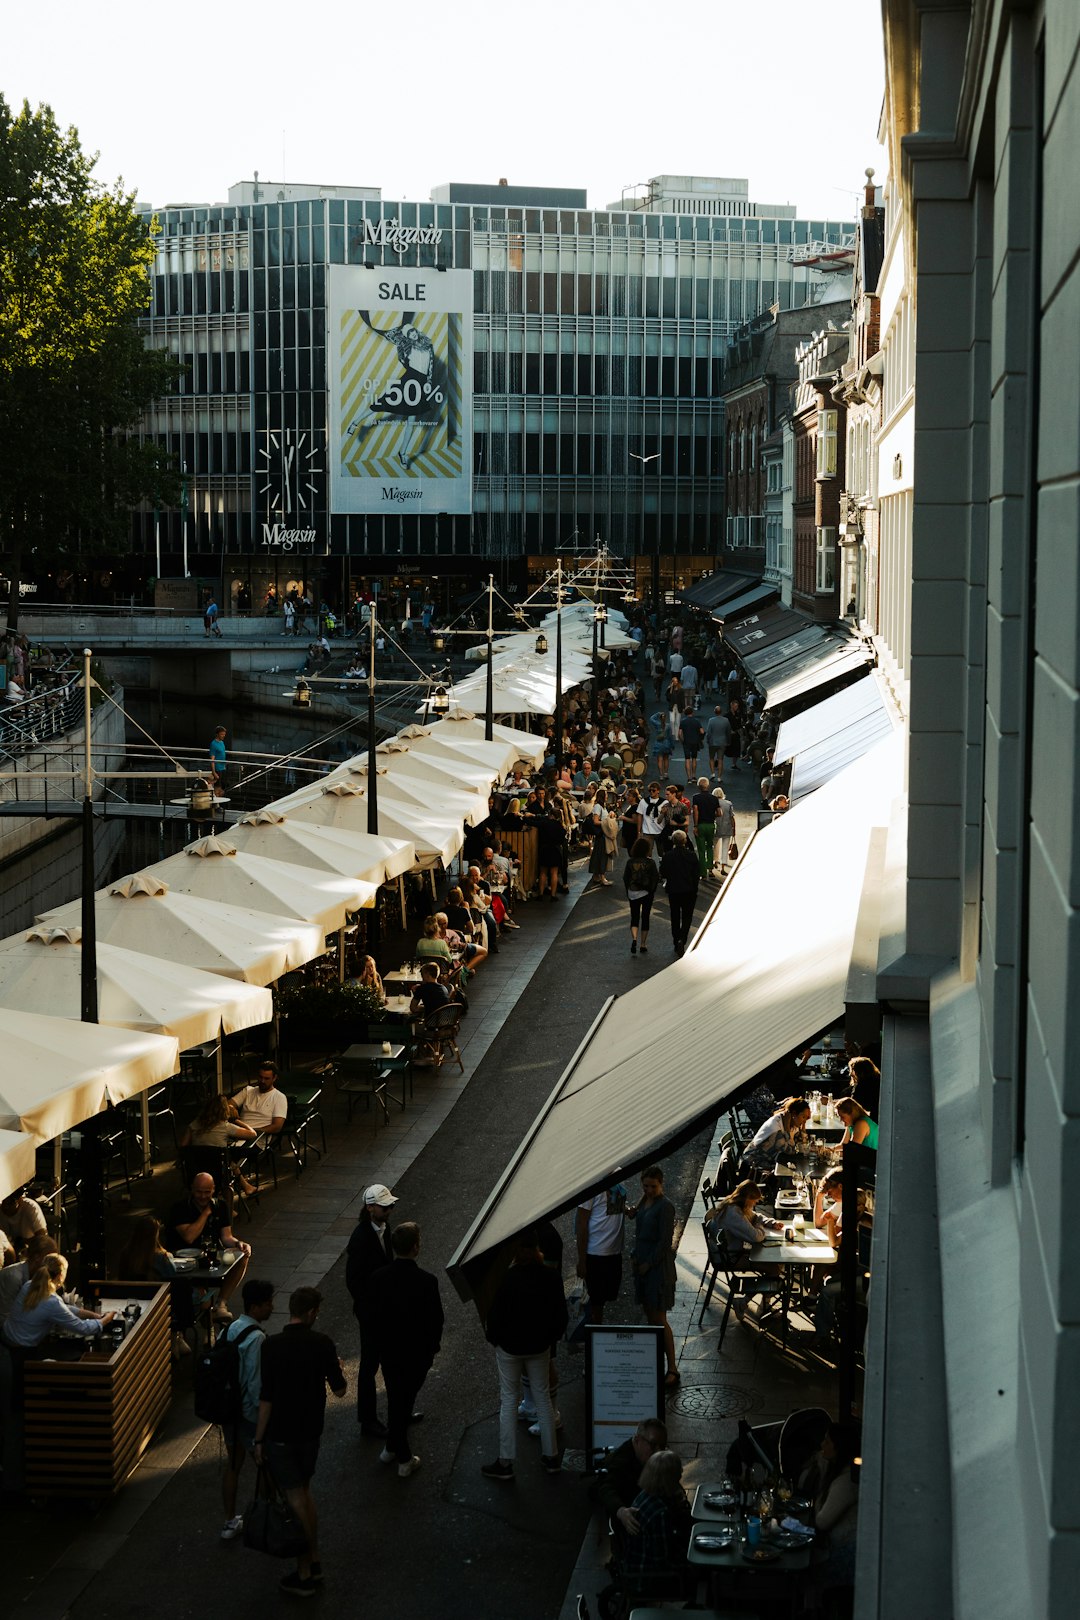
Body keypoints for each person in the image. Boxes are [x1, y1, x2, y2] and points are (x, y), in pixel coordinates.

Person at [253, 1286, 347, 1597]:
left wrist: (258, 1439)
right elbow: (340, 1391)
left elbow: (266, 1396)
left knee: (294, 1498)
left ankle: (305, 1569)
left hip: (281, 1433)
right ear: (310, 1313)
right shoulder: (322, 1344)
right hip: (310, 1431)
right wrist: (335, 1367)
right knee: (304, 1493)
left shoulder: (272, 1346)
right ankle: (314, 1558)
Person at [481, 1227, 568, 1481]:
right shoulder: (550, 1277)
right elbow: (560, 1316)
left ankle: (506, 1461)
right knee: (542, 1397)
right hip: (539, 1346)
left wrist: (495, 1340)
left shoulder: (507, 1279)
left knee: (508, 1400)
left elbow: (494, 1317)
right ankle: (551, 1456)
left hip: (509, 1347)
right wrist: (549, 1339)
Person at [368, 1222, 444, 1480]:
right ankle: (403, 1457)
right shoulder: (427, 1282)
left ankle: (391, 1447)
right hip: (416, 1353)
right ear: (415, 1248)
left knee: (397, 1398)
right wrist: (432, 1347)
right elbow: (436, 1320)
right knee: (403, 1401)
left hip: (389, 1352)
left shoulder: (378, 1278)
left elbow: (373, 1316)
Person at [220, 1277, 276, 1541]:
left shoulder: (228, 1329)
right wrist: (261, 1423)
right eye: (267, 1304)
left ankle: (230, 1522)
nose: (272, 1308)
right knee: (263, 1465)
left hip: (228, 1411)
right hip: (248, 1415)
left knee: (233, 1465)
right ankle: (265, 1519)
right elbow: (256, 1385)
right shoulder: (257, 1339)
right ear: (255, 1307)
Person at [345, 1184, 398, 1438]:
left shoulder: (384, 1229)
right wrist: (370, 1309)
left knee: (392, 1362)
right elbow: (353, 1281)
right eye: (384, 1207)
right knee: (369, 1366)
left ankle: (398, 1411)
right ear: (370, 1208)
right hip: (371, 1314)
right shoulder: (360, 1238)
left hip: (386, 1310)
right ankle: (367, 1420)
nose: (389, 1210)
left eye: (390, 1206)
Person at [167, 1173, 250, 1320]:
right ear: (192, 1189)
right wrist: (206, 1214)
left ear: (213, 1190)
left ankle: (221, 1303)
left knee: (242, 1257)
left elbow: (226, 1237)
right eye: (199, 1191)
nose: (203, 1196)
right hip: (183, 1262)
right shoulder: (180, 1208)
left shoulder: (221, 1206)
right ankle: (203, 1324)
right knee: (202, 1299)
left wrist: (239, 1244)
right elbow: (189, 1236)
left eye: (207, 1192)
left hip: (210, 1255)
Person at [627, 1167, 678, 1387]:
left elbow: (665, 1242)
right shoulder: (645, 1202)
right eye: (645, 1186)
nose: (648, 1190)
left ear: (661, 1183)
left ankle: (672, 1368)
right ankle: (655, 1362)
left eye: (653, 1186)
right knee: (650, 1317)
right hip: (642, 1264)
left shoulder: (665, 1207)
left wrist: (649, 1263)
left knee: (659, 1319)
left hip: (657, 1269)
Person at [2, 1252, 116, 1349]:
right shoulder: (52, 1301)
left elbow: (64, 1309)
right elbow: (83, 1328)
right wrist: (106, 1319)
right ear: (61, 1276)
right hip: (20, 1349)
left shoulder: (29, 1285)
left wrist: (94, 1316)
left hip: (6, 1338)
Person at [618, 1449, 691, 1592]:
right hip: (649, 1578)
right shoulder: (660, 1513)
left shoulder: (644, 1495)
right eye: (678, 1473)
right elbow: (662, 1559)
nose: (682, 1472)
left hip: (637, 1566)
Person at [594, 1418, 669, 1534]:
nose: (658, 1451)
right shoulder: (620, 1462)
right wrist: (621, 1511)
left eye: (662, 1446)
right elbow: (606, 1488)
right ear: (638, 1440)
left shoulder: (643, 1453)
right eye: (653, 1445)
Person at [576, 1183, 627, 1324]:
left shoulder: (618, 1173)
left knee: (606, 1297)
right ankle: (594, 1339)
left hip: (615, 1252)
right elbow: (581, 1223)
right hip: (596, 1253)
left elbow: (614, 1204)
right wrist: (582, 1260)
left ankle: (597, 1334)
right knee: (595, 1303)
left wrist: (627, 1210)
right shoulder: (591, 1184)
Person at [740, 1098, 812, 1179]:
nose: (805, 1121)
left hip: (769, 1161)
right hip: (753, 1167)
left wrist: (803, 1127)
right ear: (794, 1114)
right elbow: (790, 1151)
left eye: (807, 1118)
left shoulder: (791, 1122)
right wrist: (787, 1129)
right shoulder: (776, 1127)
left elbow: (803, 1144)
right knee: (793, 1175)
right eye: (803, 1117)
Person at [705, 1179, 781, 1253]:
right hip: (730, 1255)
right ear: (747, 1199)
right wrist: (759, 1225)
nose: (754, 1204)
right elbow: (756, 1237)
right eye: (754, 1201)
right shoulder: (733, 1213)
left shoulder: (734, 1203)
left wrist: (771, 1223)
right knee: (770, 1260)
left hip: (729, 1250)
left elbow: (755, 1216)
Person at [0, 1231, 57, 1328]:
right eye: (49, 1259)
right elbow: (4, 1318)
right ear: (37, 1257)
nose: (53, 1264)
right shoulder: (14, 1277)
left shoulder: (36, 1277)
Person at [660, 829, 699, 957]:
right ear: (685, 841)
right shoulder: (692, 856)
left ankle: (676, 940)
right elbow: (696, 874)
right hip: (689, 890)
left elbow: (663, 872)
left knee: (675, 916)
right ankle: (683, 938)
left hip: (674, 890)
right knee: (687, 916)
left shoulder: (668, 856)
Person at [232, 1060, 288, 1140]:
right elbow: (227, 1105)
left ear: (274, 1078)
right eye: (260, 1077)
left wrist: (252, 1132)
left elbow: (277, 1127)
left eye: (266, 1078)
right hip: (238, 1133)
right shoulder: (248, 1091)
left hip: (258, 1139)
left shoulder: (279, 1097)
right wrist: (230, 1108)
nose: (262, 1081)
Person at [622, 836, 659, 956]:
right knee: (645, 916)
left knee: (634, 916)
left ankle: (634, 939)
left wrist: (628, 889)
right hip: (646, 892)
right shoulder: (650, 863)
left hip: (633, 892)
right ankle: (643, 944)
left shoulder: (630, 862)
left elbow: (625, 878)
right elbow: (655, 878)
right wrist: (651, 890)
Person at [690, 776, 719, 881]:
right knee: (710, 847)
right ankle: (710, 869)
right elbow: (719, 812)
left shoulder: (696, 797)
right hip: (711, 824)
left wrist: (695, 825)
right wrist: (712, 814)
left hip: (701, 825)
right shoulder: (714, 798)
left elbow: (696, 811)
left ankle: (702, 872)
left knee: (701, 849)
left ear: (698, 786)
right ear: (708, 786)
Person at [712, 786, 736, 878]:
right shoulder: (728, 803)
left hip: (716, 827)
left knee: (714, 845)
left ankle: (715, 861)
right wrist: (734, 829)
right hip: (727, 827)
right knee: (725, 847)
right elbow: (732, 817)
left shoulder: (713, 803)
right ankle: (723, 867)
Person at [209, 726, 228, 798]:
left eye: (224, 734)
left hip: (223, 768)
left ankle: (221, 804)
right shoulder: (213, 744)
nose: (223, 736)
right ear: (217, 734)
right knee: (217, 788)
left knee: (222, 788)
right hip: (217, 769)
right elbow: (212, 759)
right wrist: (214, 772)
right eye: (222, 734)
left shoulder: (222, 742)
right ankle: (216, 804)